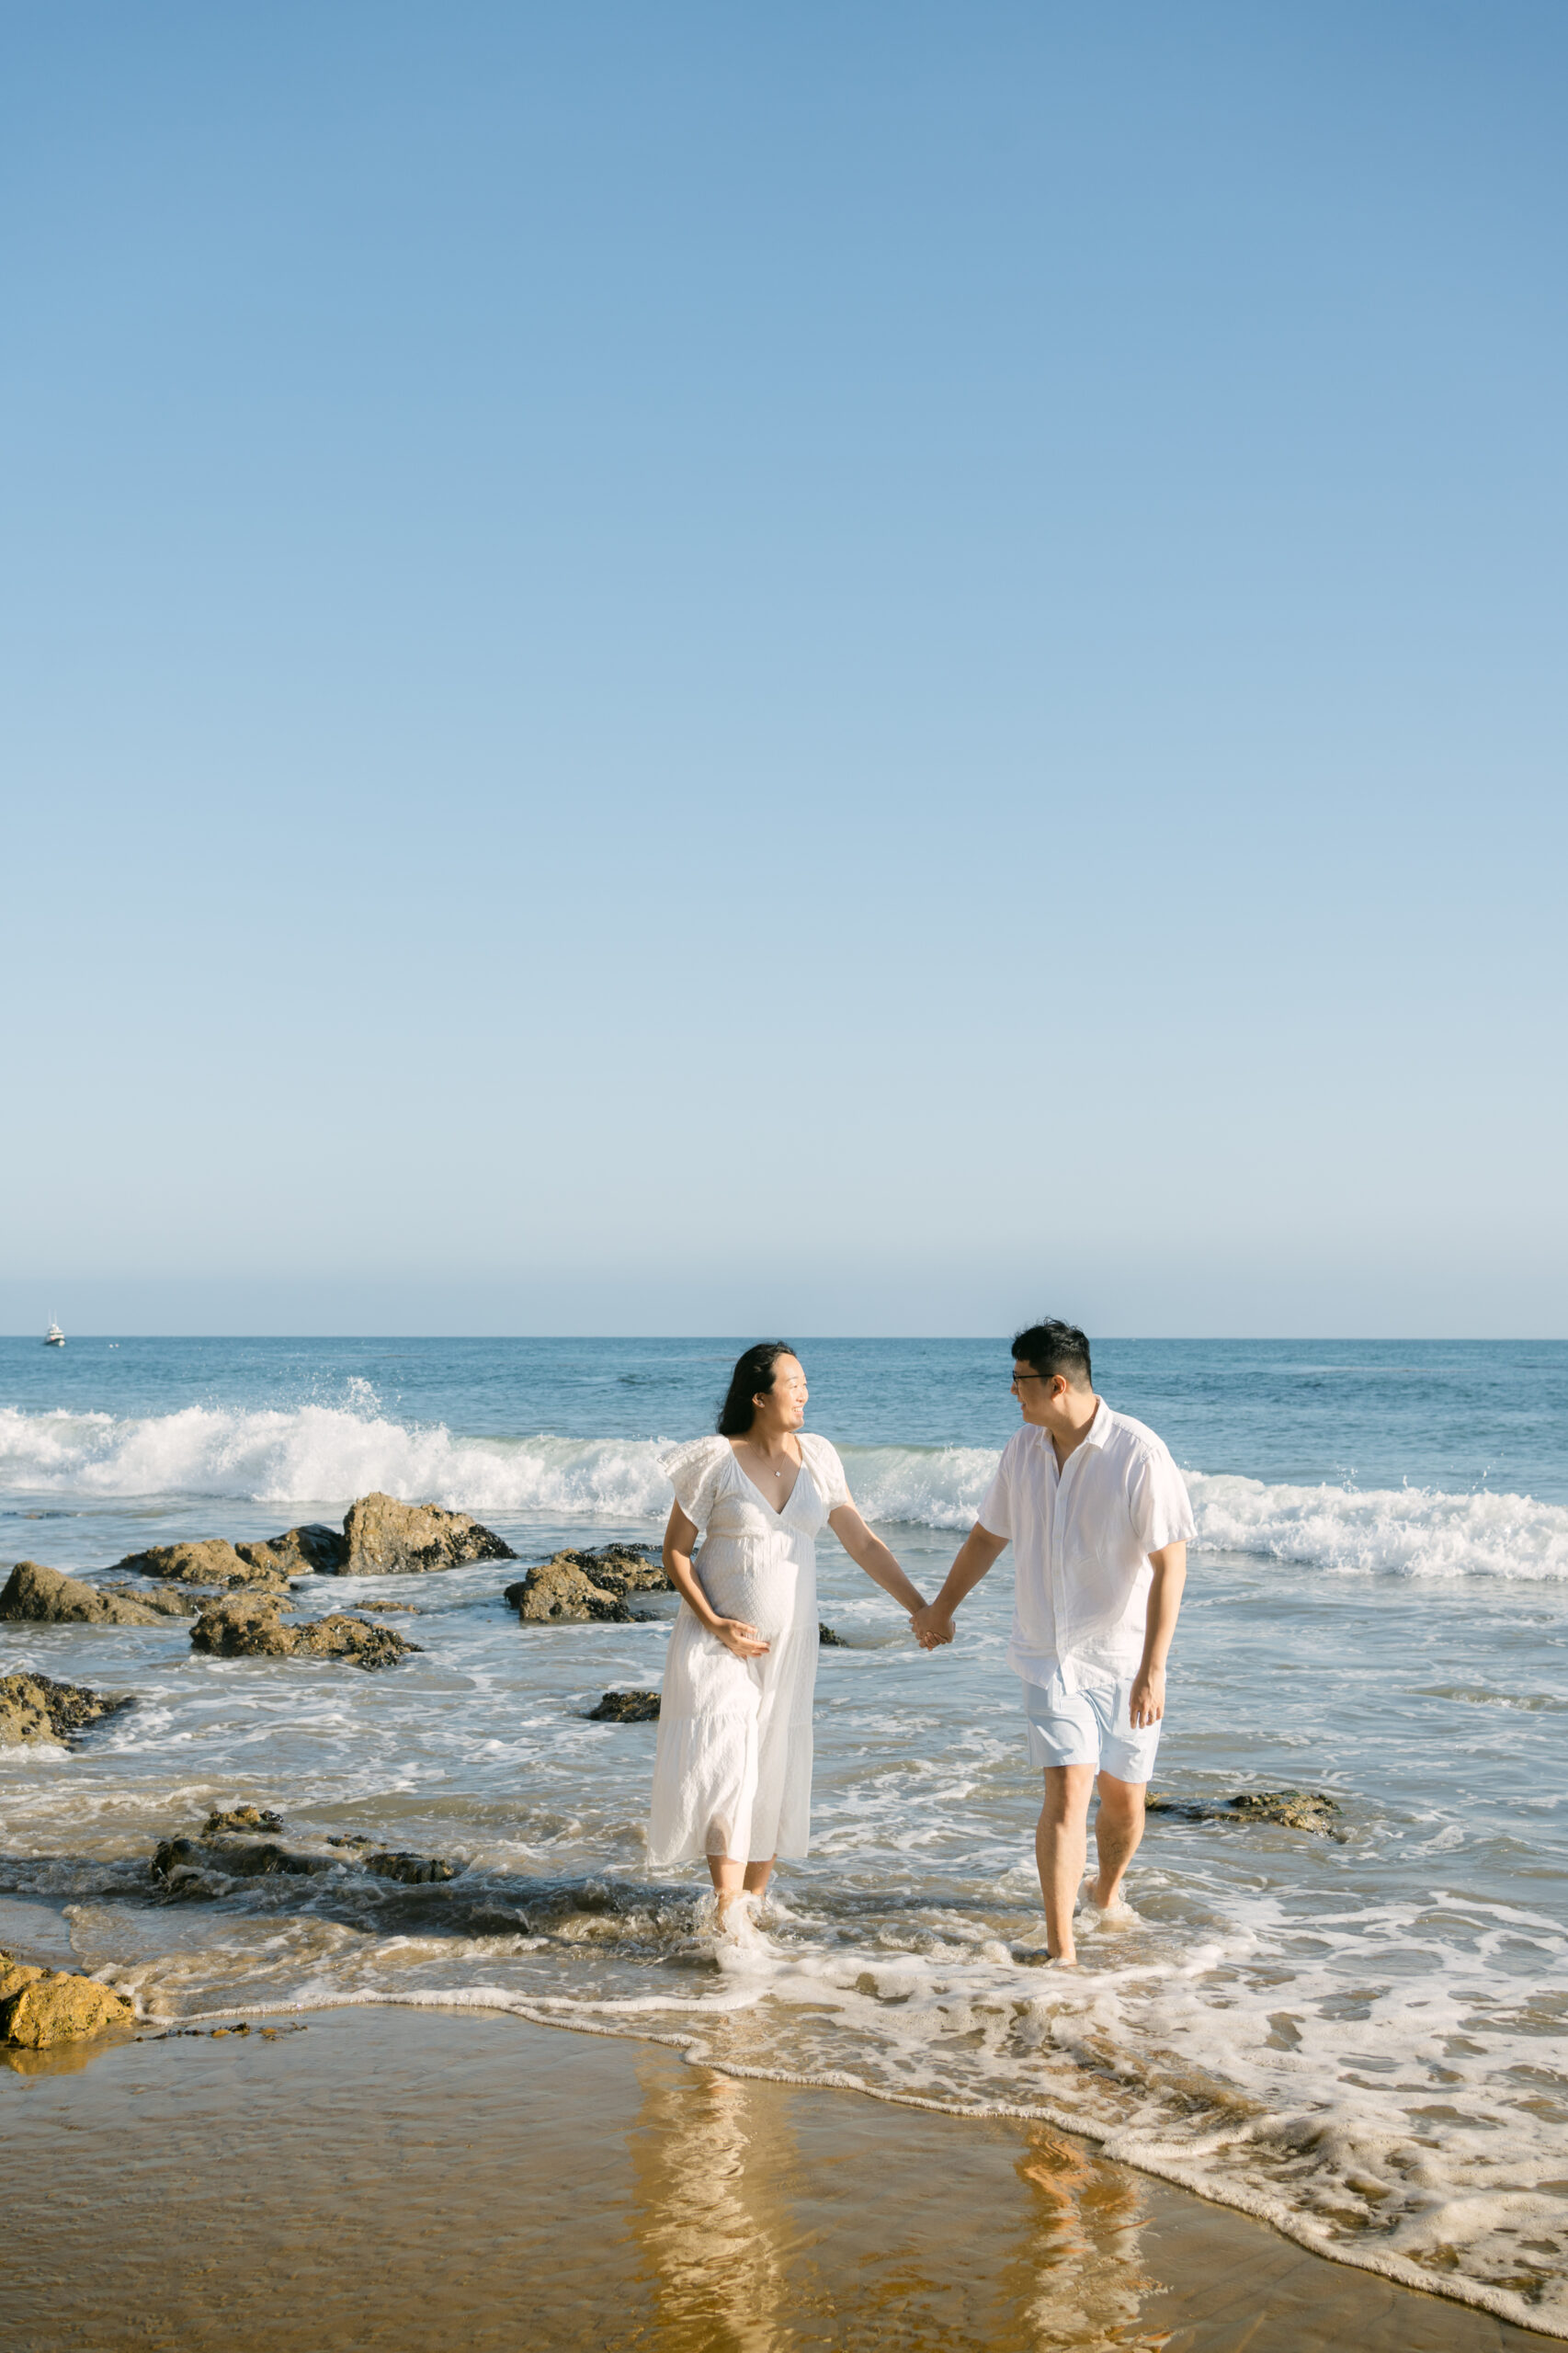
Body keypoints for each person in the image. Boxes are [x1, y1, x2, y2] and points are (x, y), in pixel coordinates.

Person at [912, 1321, 1194, 1965]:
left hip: (1122, 1657)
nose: (1011, 1391)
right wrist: (941, 1608)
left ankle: (1107, 1890)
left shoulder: (1139, 1454)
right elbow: (988, 1536)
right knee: (1066, 1792)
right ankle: (1060, 1950)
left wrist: (1155, 1668)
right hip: (1046, 1654)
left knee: (1123, 1800)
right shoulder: (1021, 1451)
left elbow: (1170, 1565)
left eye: (1019, 1379)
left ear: (1056, 1383)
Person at [649, 1341, 929, 1924]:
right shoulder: (714, 1459)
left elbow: (862, 1542)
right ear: (759, 1396)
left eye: (805, 1382)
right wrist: (716, 1623)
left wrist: (920, 1607)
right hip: (716, 1643)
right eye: (792, 1383)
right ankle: (727, 1915)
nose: (805, 1392)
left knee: (771, 1768)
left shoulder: (820, 1458)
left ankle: (753, 1907)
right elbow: (676, 1553)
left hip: (790, 1647)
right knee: (728, 1766)